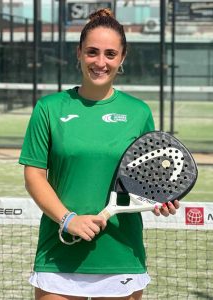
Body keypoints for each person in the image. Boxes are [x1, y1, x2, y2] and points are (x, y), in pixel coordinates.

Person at [19, 8, 179, 300]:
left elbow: (146, 178)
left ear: (122, 58)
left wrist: (159, 200)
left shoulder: (138, 112)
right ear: (78, 53)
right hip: (59, 255)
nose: (100, 62)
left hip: (121, 255)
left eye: (110, 54)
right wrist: (68, 220)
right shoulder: (49, 108)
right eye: (92, 52)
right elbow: (33, 175)